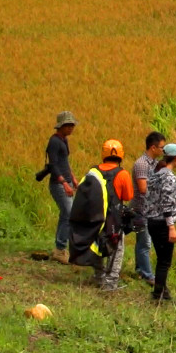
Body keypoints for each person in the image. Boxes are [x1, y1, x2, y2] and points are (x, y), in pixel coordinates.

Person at [67, 140, 134, 292]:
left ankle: (99, 276)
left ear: (104, 153)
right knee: (116, 249)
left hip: (95, 217)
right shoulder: (122, 174)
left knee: (96, 245)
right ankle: (110, 283)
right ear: (121, 155)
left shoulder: (93, 172)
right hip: (113, 219)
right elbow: (128, 196)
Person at [144, 143, 176, 301]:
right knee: (165, 262)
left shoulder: (156, 173)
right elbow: (166, 202)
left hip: (152, 221)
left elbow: (159, 191)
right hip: (163, 224)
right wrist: (171, 226)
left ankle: (163, 291)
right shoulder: (170, 177)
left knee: (161, 259)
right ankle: (158, 295)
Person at [130, 131, 165, 286]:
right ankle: (147, 275)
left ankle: (140, 269)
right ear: (153, 147)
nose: (163, 151)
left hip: (149, 210)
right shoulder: (142, 164)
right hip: (141, 210)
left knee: (142, 241)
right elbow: (143, 188)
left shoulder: (153, 163)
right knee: (145, 243)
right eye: (161, 148)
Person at [45, 111, 78, 264]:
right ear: (61, 126)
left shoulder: (63, 140)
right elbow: (53, 165)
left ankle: (61, 248)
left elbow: (64, 162)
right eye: (68, 125)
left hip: (65, 181)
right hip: (58, 184)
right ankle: (60, 249)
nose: (71, 128)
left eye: (72, 125)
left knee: (66, 214)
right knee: (68, 213)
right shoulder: (54, 142)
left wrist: (72, 178)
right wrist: (64, 183)